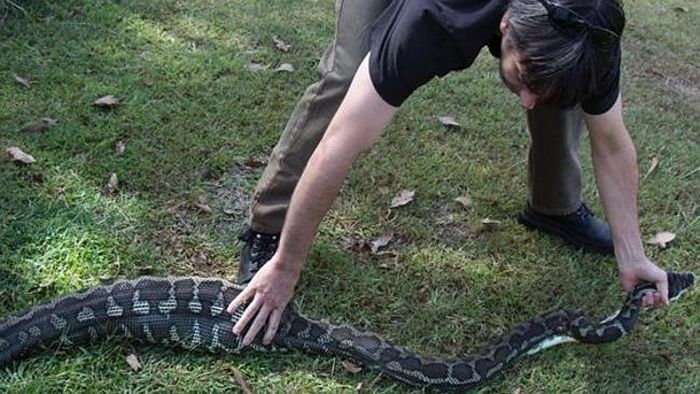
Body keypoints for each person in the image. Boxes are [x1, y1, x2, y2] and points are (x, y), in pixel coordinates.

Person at [227, 0, 670, 346]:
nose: (526, 103)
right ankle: (271, 226)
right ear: (505, 24)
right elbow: (338, 144)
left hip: (549, 24)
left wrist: (631, 254)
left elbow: (612, 145)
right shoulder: (432, 19)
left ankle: (554, 206)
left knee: (563, 82)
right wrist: (287, 266)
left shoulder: (592, 26)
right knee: (346, 78)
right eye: (524, 79)